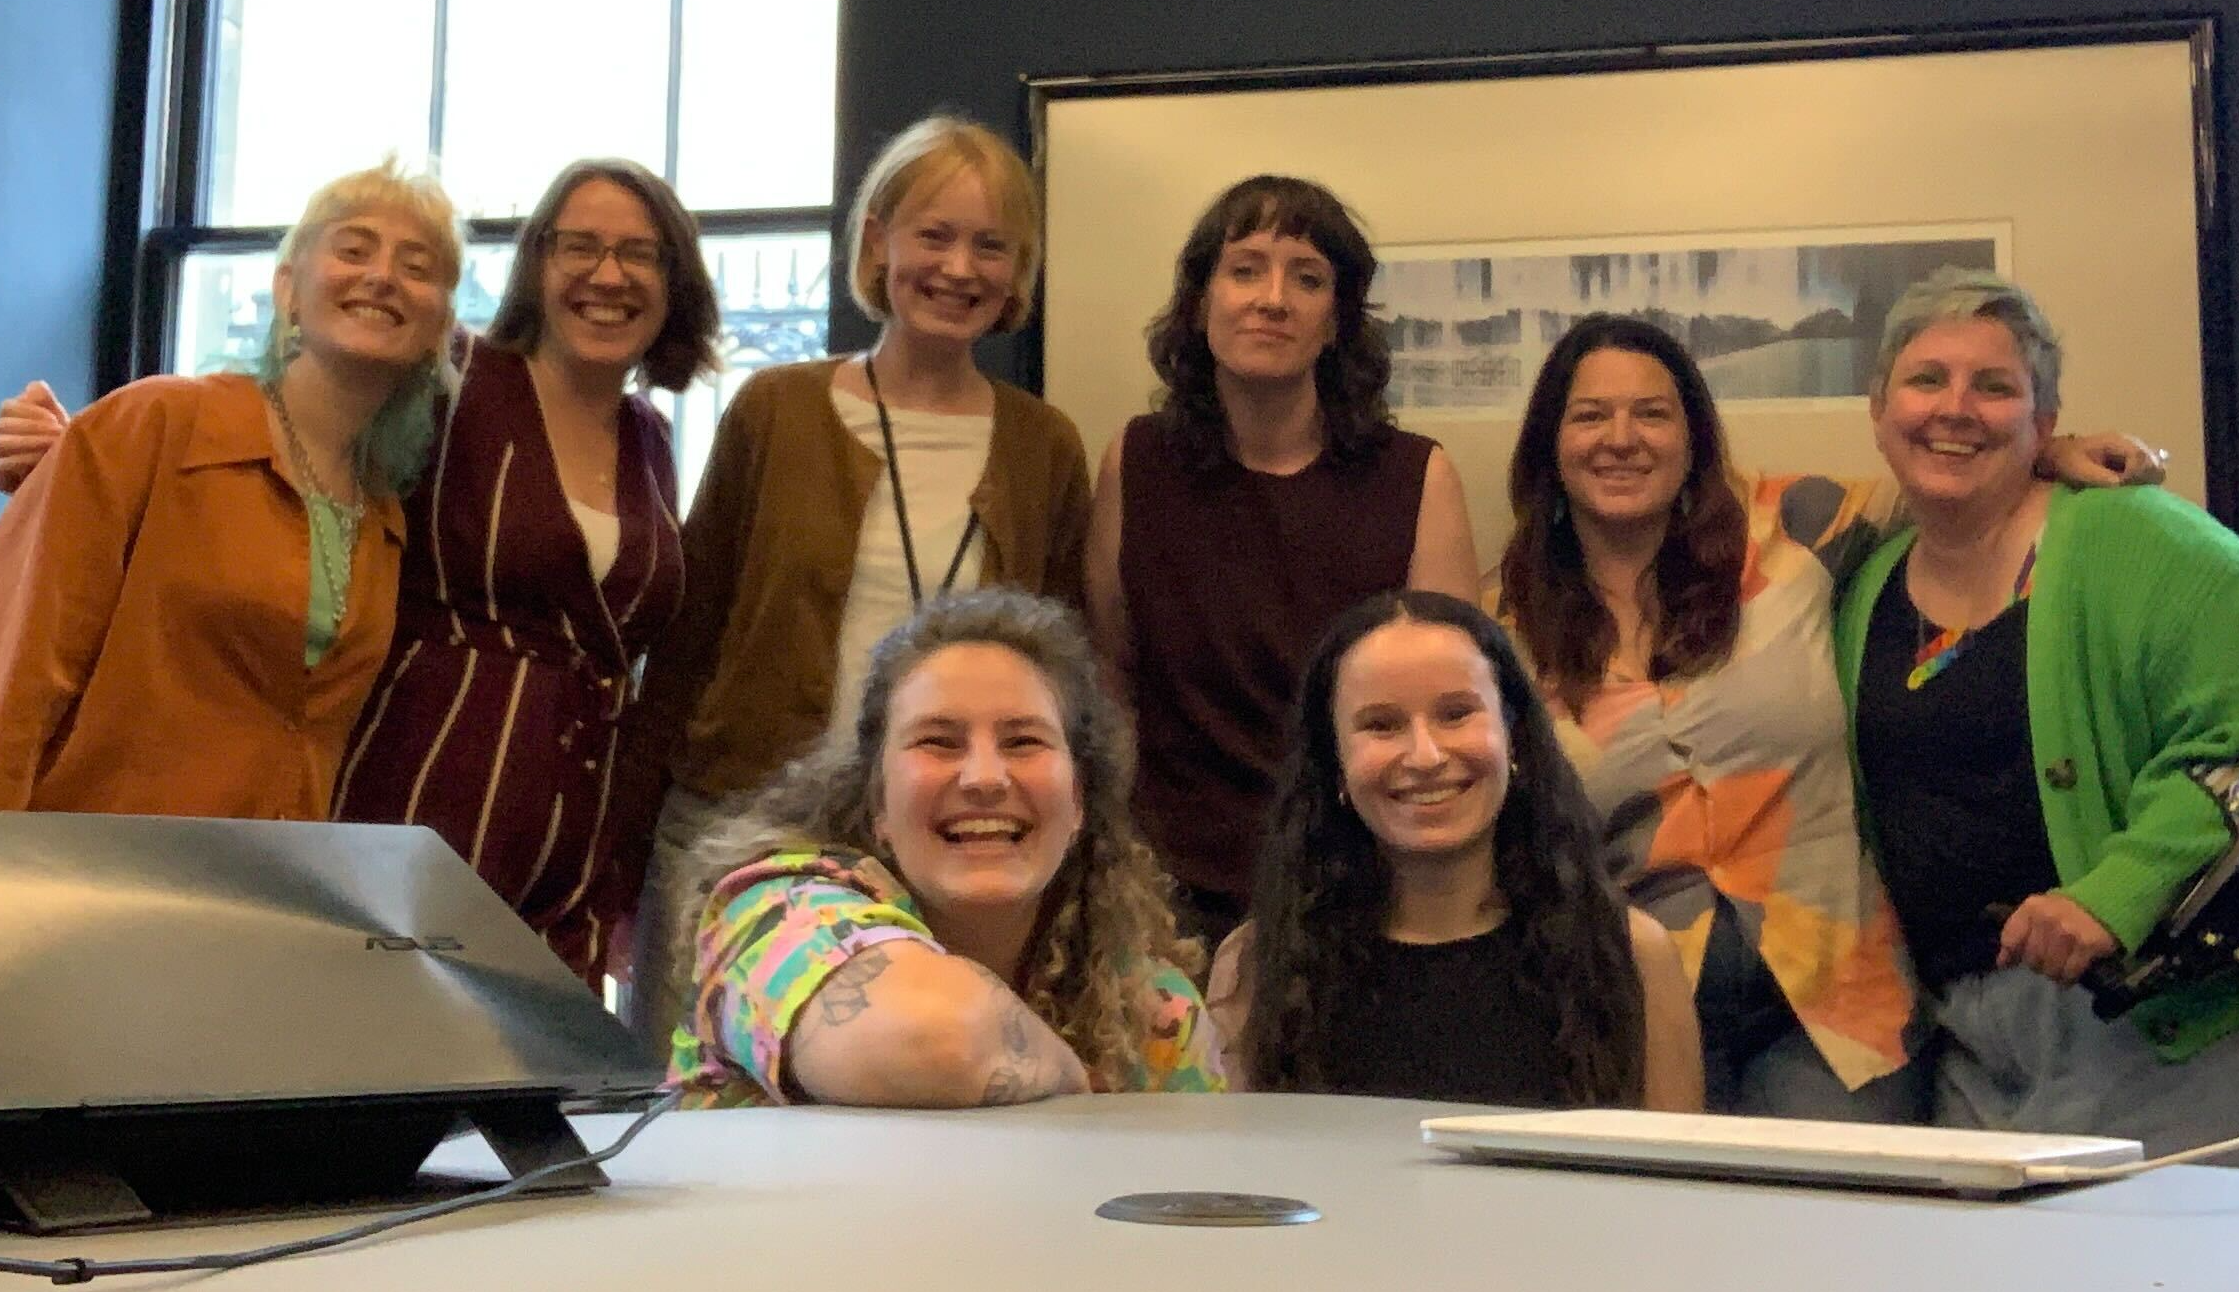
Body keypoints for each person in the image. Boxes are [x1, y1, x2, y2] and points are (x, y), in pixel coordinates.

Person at [0, 158, 720, 986]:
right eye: (577, 245)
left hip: (566, 857)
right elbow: (295, 425)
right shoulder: (452, 379)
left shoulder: (650, 439)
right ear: (535, 265)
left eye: (640, 253)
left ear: (675, 278)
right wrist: (74, 449)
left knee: (524, 1104)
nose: (606, 274)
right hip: (410, 813)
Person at [1497, 311, 2166, 1118]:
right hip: (1645, 1006)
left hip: (1838, 1001)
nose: (1622, 437)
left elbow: (1952, 478)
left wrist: (2047, 448)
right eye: (1590, 415)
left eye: (1651, 412)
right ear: (1550, 443)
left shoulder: (1798, 524)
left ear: (1693, 434)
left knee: (1849, 1231)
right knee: (1668, 1231)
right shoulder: (1504, 626)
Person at [1836, 267, 2239, 1157]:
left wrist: (2115, 893)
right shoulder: (1864, 586)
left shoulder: (2145, 541)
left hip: (2214, 1005)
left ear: (2042, 422)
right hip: (1987, 1034)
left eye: (1994, 386)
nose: (1955, 407)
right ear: (1878, 410)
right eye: (1926, 379)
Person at [622, 116, 1093, 1055]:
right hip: (738, 828)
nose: (958, 268)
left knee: (903, 1097)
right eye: (934, 234)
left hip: (946, 842)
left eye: (990, 245)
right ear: (878, 240)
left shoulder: (1045, 444)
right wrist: (620, 852)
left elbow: (1064, 673)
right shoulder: (775, 410)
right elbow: (689, 633)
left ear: (1018, 270)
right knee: (700, 1106)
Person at [0, 158, 459, 819]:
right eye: (353, 249)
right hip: (83, 877)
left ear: (441, 328)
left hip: (246, 899)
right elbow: (7, 673)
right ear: (287, 289)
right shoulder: (157, 425)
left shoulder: (384, 519)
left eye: (418, 267)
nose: (382, 276)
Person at [1088, 175, 1477, 948]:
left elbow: (1453, 709)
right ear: (1200, 303)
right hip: (1168, 896)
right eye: (1245, 269)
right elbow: (1110, 680)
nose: (1273, 298)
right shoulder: (1134, 463)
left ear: (1335, 322)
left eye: (1306, 278)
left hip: (1361, 884)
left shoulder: (1417, 477)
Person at [666, 587, 1222, 1106]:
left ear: (1079, 801)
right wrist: (1076, 1084)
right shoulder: (769, 913)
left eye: (1023, 741)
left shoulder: (1150, 1011)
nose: (985, 777)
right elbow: (936, 1039)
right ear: (878, 804)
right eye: (938, 741)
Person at [1208, 589, 1701, 1109]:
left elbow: (1678, 1187)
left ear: (1514, 736)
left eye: (1456, 713)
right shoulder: (1256, 966)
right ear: (1334, 762)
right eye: (1382, 725)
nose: (1425, 755)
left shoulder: (1634, 957)